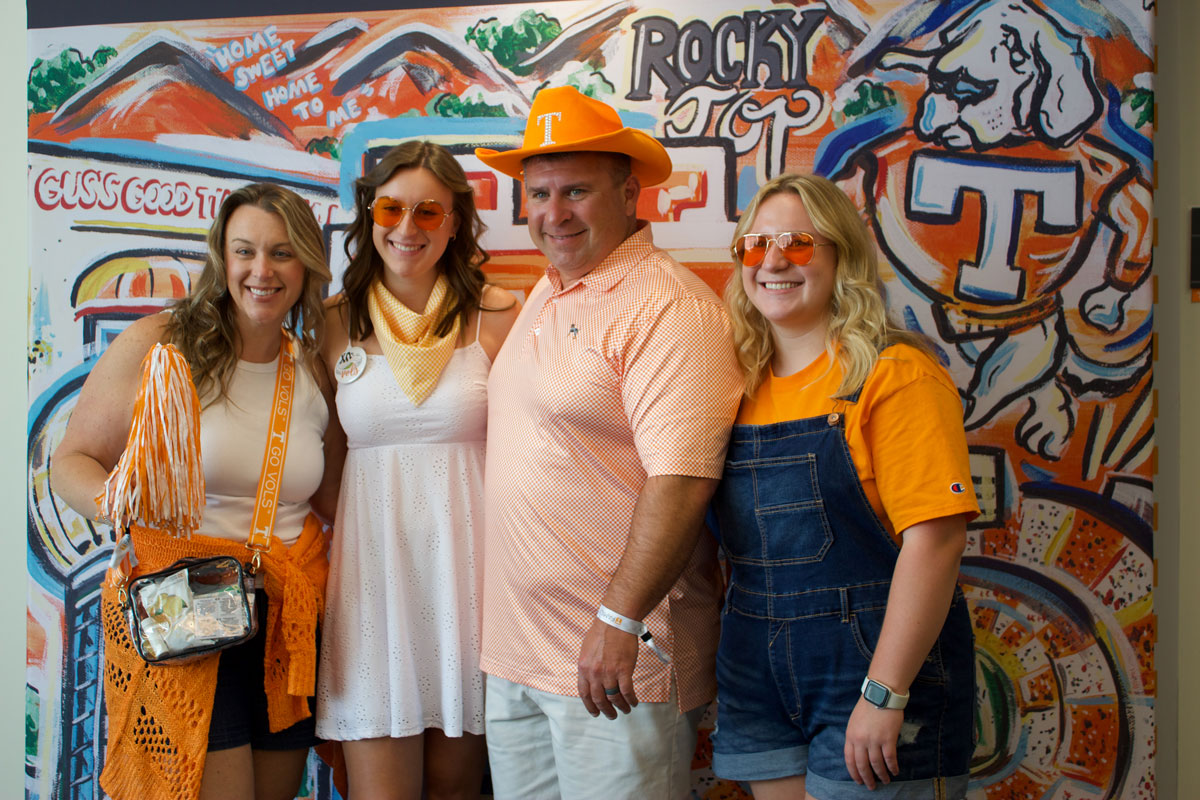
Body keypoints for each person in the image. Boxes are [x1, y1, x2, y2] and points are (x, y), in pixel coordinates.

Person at [474, 86, 743, 799]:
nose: (554, 214)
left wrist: (618, 619)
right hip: (519, 657)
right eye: (539, 194)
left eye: (576, 192)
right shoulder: (549, 288)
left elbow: (682, 482)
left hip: (615, 660)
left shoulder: (669, 307)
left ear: (629, 194)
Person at [51, 183, 338, 800]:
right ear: (222, 258)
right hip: (186, 606)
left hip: (286, 620)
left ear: (307, 264)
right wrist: (122, 506)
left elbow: (334, 498)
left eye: (282, 253)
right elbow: (71, 462)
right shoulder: (162, 344)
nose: (262, 271)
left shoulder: (312, 366)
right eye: (245, 251)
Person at [709, 173, 979, 799]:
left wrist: (885, 693)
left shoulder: (895, 375)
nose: (773, 261)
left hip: (875, 670)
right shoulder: (731, 386)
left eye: (798, 243)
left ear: (842, 256)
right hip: (755, 673)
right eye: (756, 244)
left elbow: (937, 543)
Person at [315, 140, 519, 800]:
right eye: (391, 208)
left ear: (455, 222)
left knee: (456, 789)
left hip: (472, 581)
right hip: (373, 582)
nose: (407, 227)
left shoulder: (499, 314)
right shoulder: (332, 323)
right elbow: (322, 465)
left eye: (428, 211)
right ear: (369, 215)